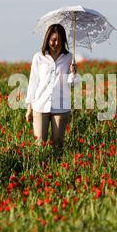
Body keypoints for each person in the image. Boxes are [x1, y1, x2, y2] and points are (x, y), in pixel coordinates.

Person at [25, 24, 80, 159]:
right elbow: (33, 83)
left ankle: (55, 171)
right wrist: (29, 108)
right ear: (47, 39)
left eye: (59, 40)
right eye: (53, 40)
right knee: (40, 145)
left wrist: (73, 73)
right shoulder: (39, 57)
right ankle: (40, 170)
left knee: (58, 144)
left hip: (61, 107)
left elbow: (73, 85)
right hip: (40, 105)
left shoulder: (69, 58)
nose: (56, 43)